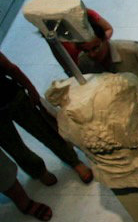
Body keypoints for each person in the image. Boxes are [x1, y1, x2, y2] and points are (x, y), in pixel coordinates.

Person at [0, 51, 92, 186]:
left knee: (45, 130)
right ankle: (38, 172)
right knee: (14, 147)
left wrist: (31, 89)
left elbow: (11, 68)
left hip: (13, 97)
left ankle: (73, 161)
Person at [76, 28, 138, 122]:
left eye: (96, 48)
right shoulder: (84, 61)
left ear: (105, 40)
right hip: (121, 105)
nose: (92, 54)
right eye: (86, 51)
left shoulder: (132, 50)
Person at [36, 0, 112, 70]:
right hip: (81, 67)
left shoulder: (83, 13)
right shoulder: (50, 30)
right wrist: (69, 71)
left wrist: (98, 45)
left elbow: (108, 29)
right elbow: (59, 55)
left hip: (102, 59)